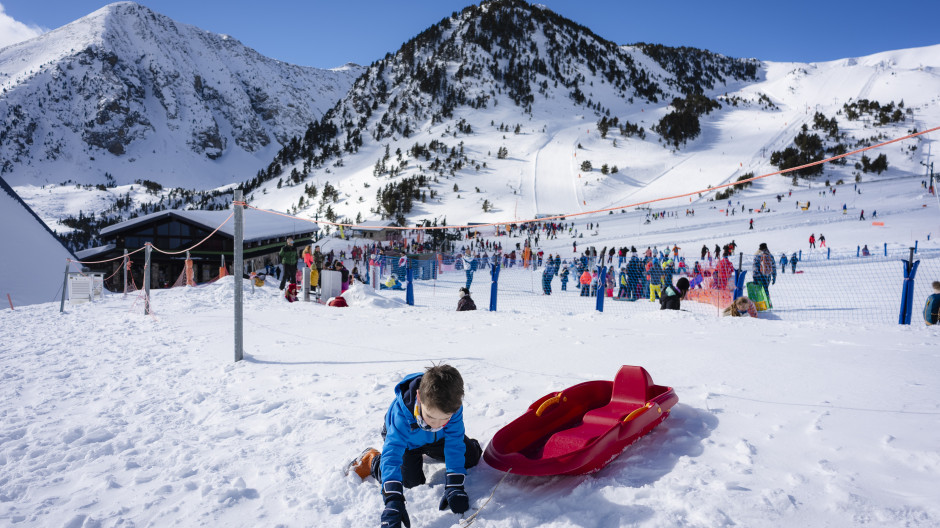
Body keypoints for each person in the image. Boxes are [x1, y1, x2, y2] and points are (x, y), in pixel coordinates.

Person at [348, 365, 482, 528]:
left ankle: (434, 450)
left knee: (471, 457)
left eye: (445, 419)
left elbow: (454, 442)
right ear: (419, 397)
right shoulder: (401, 414)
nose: (436, 424)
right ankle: (372, 460)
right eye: (431, 416)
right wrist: (392, 499)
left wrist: (454, 484)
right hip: (407, 444)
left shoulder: (452, 406)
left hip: (437, 439)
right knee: (410, 483)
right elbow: (392, 455)